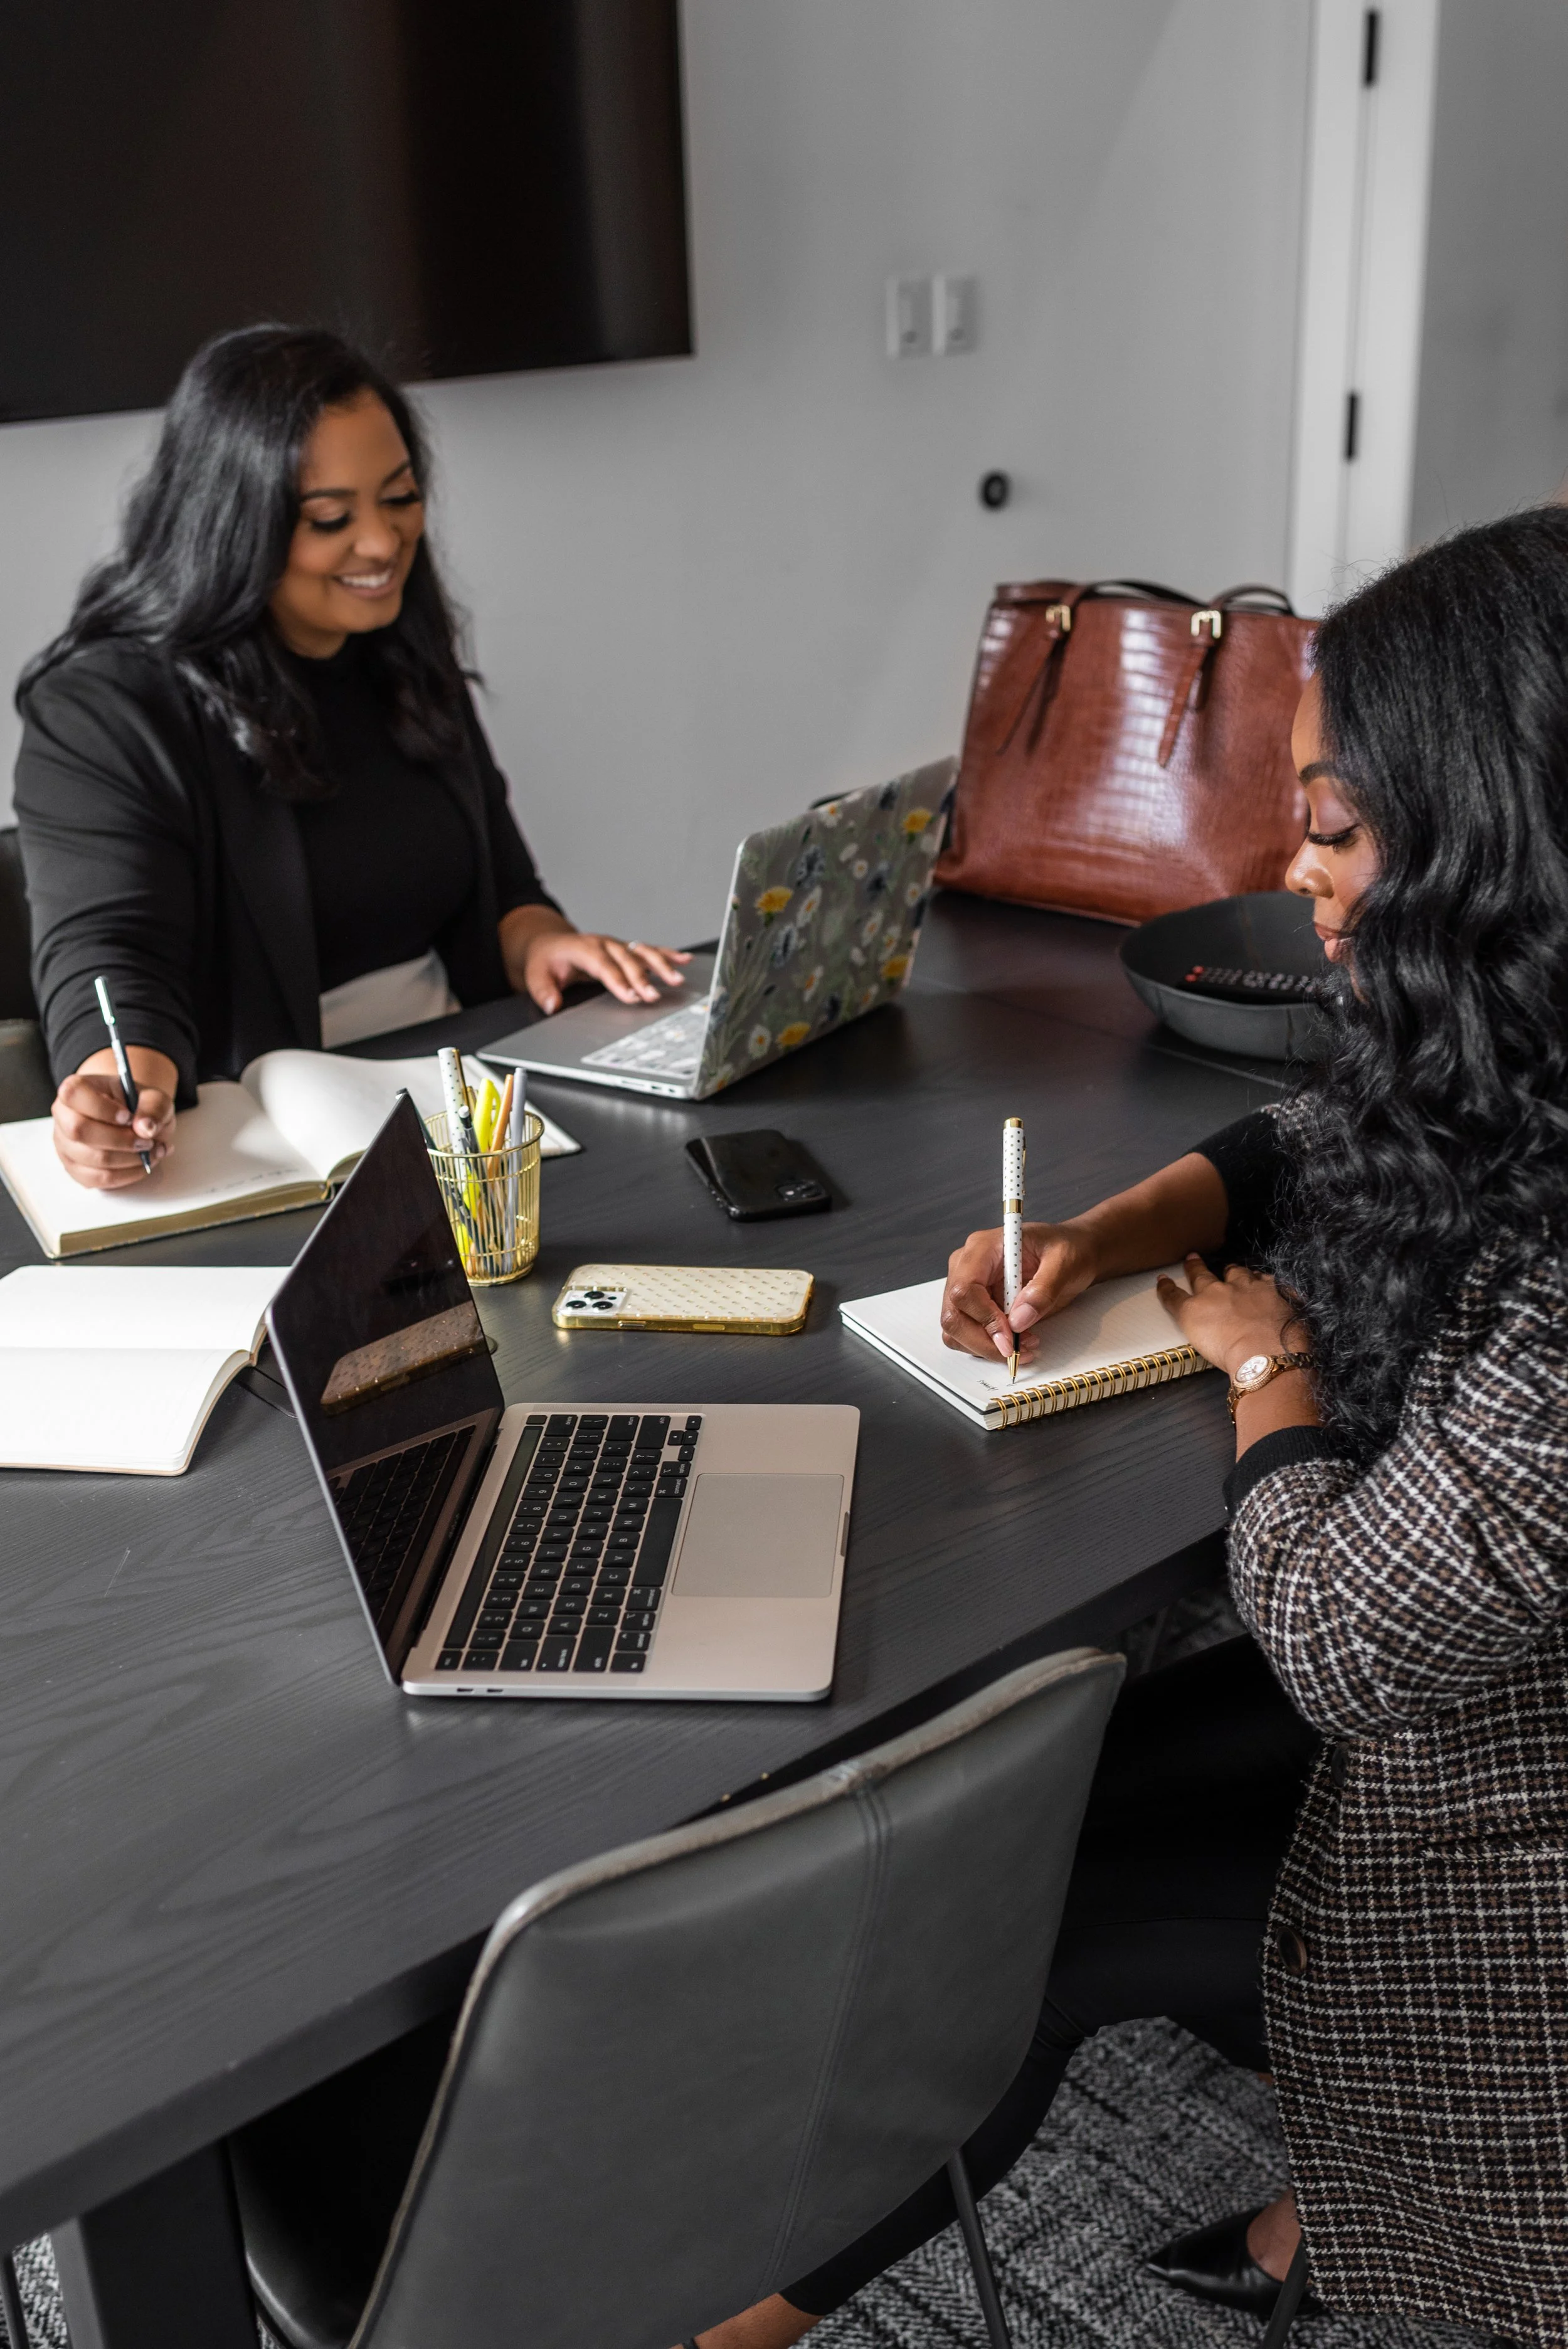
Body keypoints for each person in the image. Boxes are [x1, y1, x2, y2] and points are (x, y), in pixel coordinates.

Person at [691, 507, 1568, 2348]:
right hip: (1488, 1715)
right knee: (1060, 1745)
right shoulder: (1525, 1042)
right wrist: (1109, 1231)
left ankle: (706, 2325)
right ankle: (1348, 2196)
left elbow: (1339, 1636)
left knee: (1002, 1898)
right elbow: (1329, 1140)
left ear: (1496, 843)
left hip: (1495, 1848)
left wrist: (1269, 1367)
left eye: (1330, 829)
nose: (1290, 869)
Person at [13, 324, 689, 1190]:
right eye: (330, 518)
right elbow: (111, 948)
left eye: (401, 498)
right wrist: (118, 1083)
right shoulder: (105, 707)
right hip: (259, 1136)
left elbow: (501, 888)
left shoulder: (400, 643)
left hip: (460, 1105)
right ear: (233, 525)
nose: (382, 544)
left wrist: (543, 943)